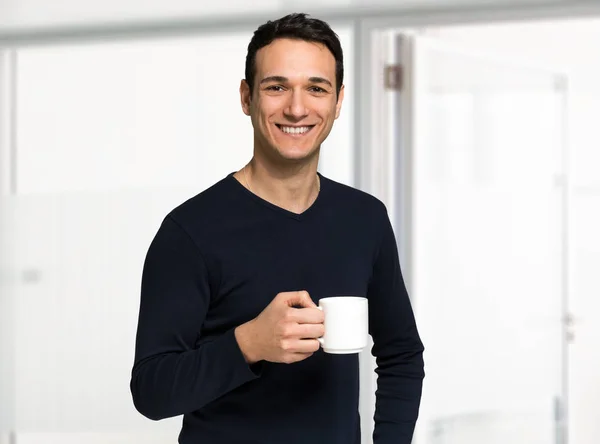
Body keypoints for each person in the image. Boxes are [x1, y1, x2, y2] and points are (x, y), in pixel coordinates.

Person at [130, 12, 424, 444]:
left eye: (316, 88)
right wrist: (247, 344)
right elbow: (151, 391)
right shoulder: (189, 231)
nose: (297, 107)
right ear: (247, 97)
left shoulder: (365, 219)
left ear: (338, 101)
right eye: (277, 86)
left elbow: (401, 355)